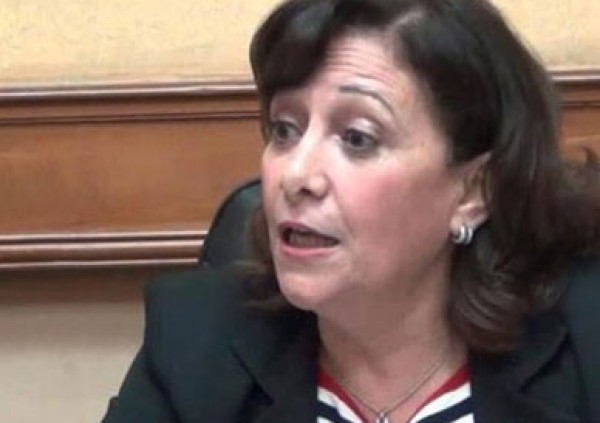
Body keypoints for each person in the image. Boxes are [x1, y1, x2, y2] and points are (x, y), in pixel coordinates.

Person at [102, 0, 600, 422]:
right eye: (285, 130)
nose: (297, 175)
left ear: (474, 191)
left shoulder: (587, 341)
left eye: (357, 138)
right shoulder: (194, 344)